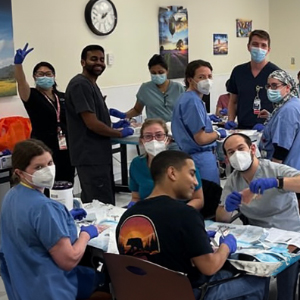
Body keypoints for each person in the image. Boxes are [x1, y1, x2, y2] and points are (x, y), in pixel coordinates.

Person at [116, 150, 269, 300]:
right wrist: (226, 246)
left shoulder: (128, 216)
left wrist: (195, 240)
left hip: (144, 292)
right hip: (187, 293)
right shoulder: (185, 214)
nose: (196, 182)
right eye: (191, 173)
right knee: (257, 279)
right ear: (172, 173)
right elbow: (210, 267)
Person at [0, 139, 104, 300]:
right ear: (19, 172)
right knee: (104, 279)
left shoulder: (11, 196)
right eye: (38, 167)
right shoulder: (45, 208)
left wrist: (65, 217)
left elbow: (28, 228)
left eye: (49, 163)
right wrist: (87, 234)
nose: (48, 171)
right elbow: (68, 261)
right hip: (50, 288)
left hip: (21, 285)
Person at [215, 133, 300, 300]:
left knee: (287, 265)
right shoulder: (233, 181)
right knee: (240, 264)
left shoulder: (273, 169)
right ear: (226, 158)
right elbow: (222, 219)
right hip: (258, 236)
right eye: (231, 152)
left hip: (289, 233)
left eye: (241, 148)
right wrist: (227, 207)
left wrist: (277, 182)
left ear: (252, 149)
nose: (237, 155)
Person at [65, 45, 134, 204]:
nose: (99, 63)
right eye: (93, 59)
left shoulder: (91, 84)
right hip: (90, 155)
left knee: (98, 199)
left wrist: (115, 125)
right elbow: (91, 123)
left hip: (97, 154)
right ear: (83, 62)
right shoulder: (80, 84)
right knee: (100, 203)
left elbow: (95, 117)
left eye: (102, 59)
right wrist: (118, 133)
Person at [14, 43, 75, 184]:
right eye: (40, 74)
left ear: (54, 76)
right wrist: (18, 65)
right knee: (47, 183)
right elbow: (21, 82)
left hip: (65, 147)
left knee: (66, 181)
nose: (45, 77)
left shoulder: (63, 96)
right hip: (42, 147)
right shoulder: (32, 96)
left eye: (48, 74)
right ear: (35, 78)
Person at [127, 118, 204, 211]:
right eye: (148, 136)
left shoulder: (183, 162)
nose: (154, 140)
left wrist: (181, 212)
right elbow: (136, 197)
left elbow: (198, 199)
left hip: (179, 214)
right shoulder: (137, 164)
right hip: (149, 213)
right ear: (142, 141)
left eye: (159, 135)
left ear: (167, 139)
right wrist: (134, 207)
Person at [171, 59, 227, 185]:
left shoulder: (186, 98)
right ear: (190, 80)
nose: (207, 81)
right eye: (201, 77)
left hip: (191, 157)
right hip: (200, 160)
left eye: (209, 76)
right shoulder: (192, 102)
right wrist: (219, 134)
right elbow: (201, 139)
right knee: (208, 198)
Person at [225, 30, 280, 130]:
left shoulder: (276, 73)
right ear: (248, 47)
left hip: (269, 129)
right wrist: (231, 120)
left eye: (263, 45)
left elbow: (283, 105)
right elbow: (233, 102)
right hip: (242, 128)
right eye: (255, 44)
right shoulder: (238, 72)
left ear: (268, 50)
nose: (259, 48)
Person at [109, 54, 185, 122]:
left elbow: (186, 111)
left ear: (167, 71)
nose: (157, 75)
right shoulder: (145, 89)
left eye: (161, 72)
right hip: (154, 129)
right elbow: (137, 110)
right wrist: (123, 115)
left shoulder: (178, 88)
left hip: (176, 128)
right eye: (153, 73)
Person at [258, 70, 300, 170]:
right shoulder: (292, 103)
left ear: (288, 87)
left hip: (286, 168)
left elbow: (282, 148)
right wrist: (271, 117)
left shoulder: (288, 110)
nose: (270, 90)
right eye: (268, 86)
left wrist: (272, 173)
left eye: (274, 85)